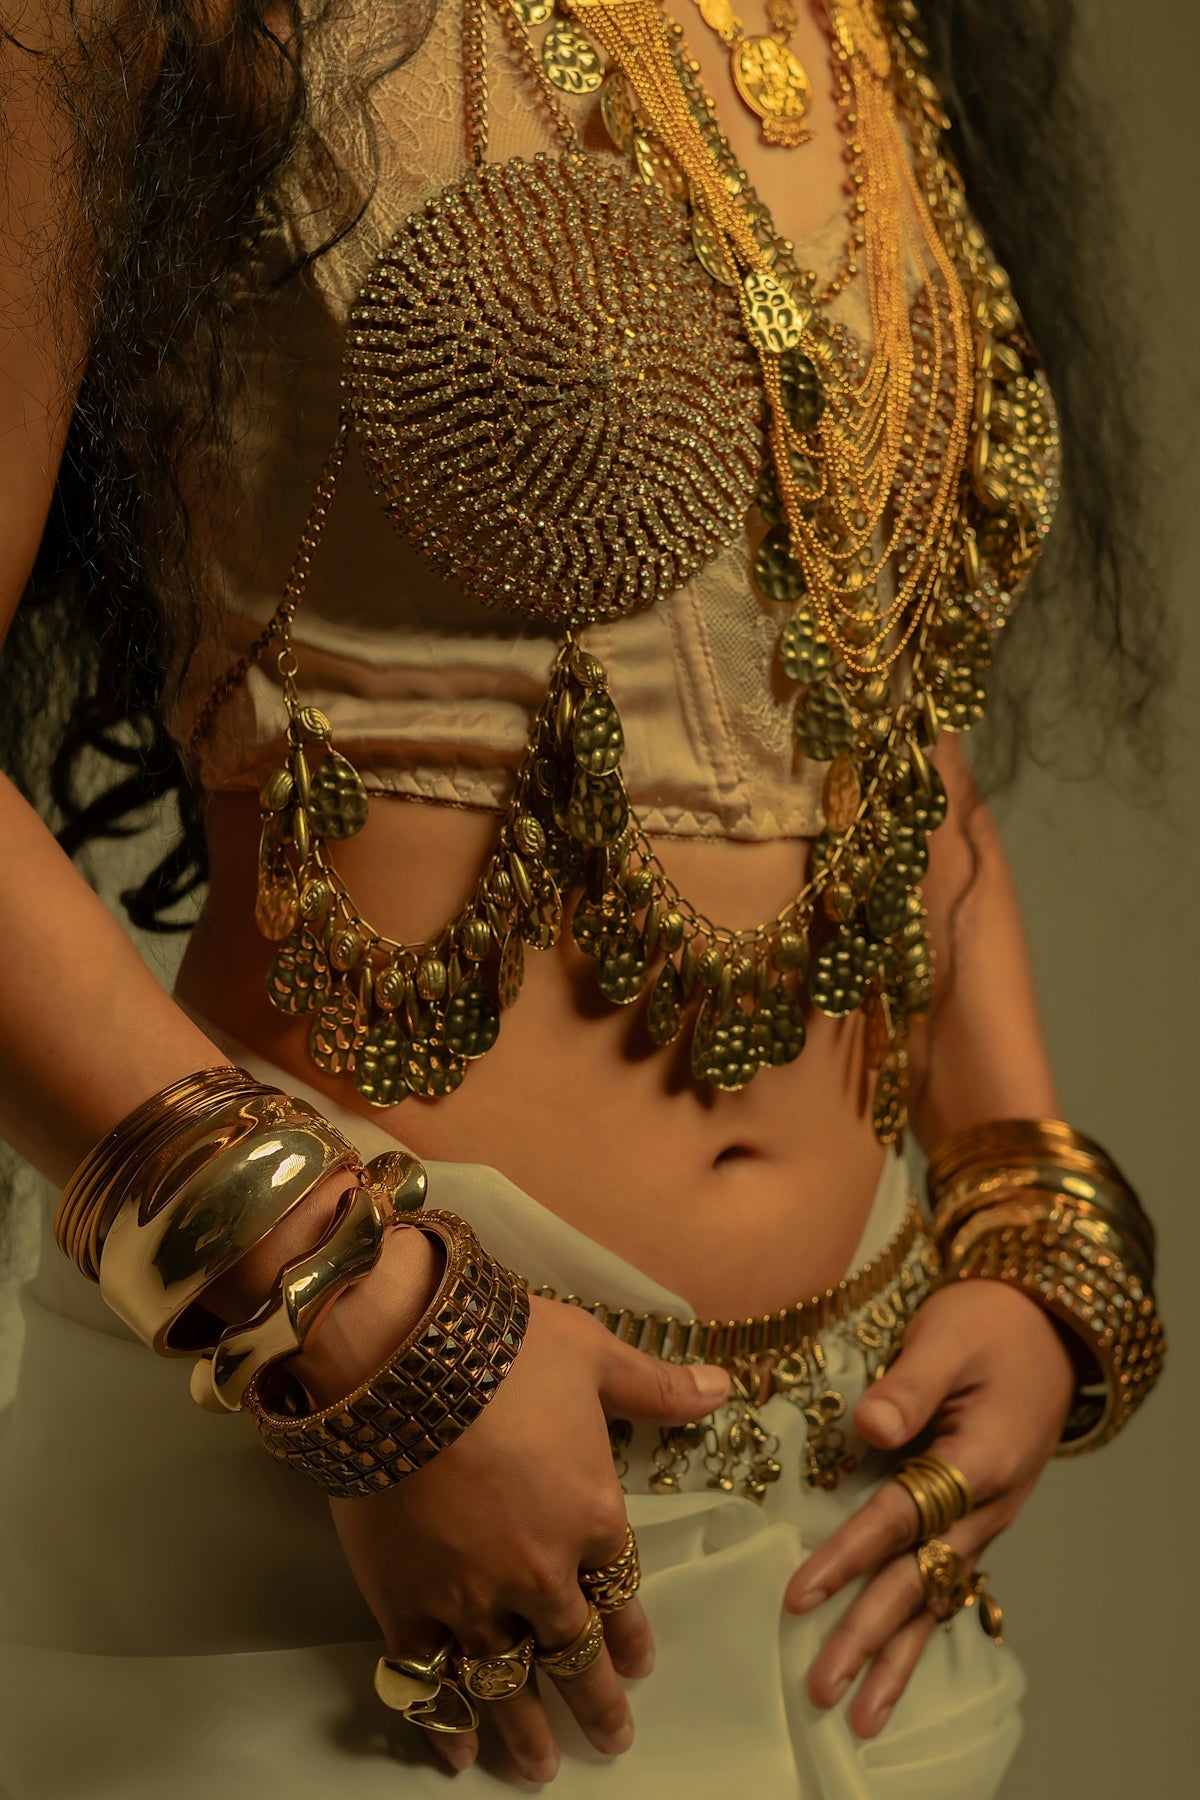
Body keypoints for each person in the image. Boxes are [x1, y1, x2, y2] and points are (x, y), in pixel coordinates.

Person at [0, 0, 1166, 1794]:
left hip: (846, 1558)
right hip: (340, 1521)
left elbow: (885, 685)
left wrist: (1026, 1207)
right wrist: (359, 1328)